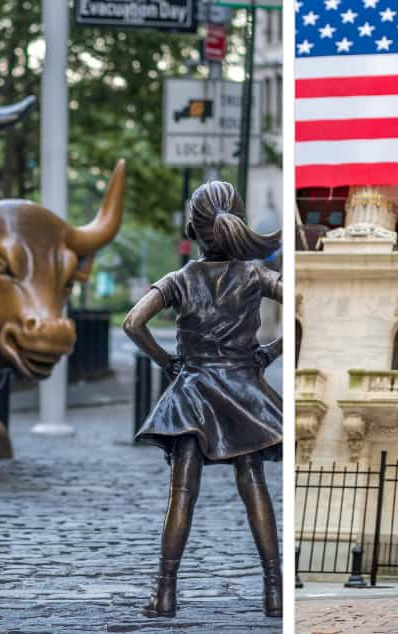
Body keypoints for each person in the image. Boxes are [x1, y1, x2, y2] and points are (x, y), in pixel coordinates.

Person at [122, 181, 283, 618]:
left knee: (182, 495)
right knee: (255, 489)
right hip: (244, 391)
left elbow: (133, 323)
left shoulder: (180, 280)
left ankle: (166, 593)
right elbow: (302, 306)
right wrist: (268, 353)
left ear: (193, 229)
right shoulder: (256, 275)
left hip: (192, 391)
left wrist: (167, 362)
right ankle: (275, 592)